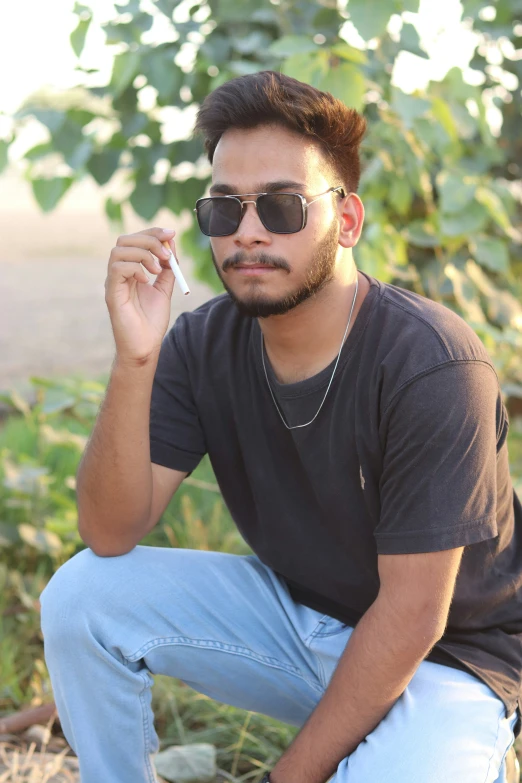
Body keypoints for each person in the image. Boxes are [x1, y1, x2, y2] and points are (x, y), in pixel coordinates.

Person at [39, 71, 522, 783]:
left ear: (348, 220)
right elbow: (111, 532)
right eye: (224, 210)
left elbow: (417, 615)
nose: (250, 230)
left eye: (283, 205)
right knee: (82, 595)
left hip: (451, 661)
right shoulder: (203, 342)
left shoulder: (432, 362)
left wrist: (285, 777)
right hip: (304, 628)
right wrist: (135, 356)